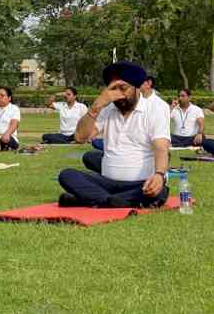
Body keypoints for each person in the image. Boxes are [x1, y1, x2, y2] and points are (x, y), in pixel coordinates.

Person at [58, 61, 170, 208]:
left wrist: (159, 175)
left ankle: (90, 200)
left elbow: (161, 147)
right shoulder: (107, 108)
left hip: (141, 184)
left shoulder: (156, 107)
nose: (118, 95)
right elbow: (80, 137)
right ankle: (114, 201)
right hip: (107, 182)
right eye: (113, 89)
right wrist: (95, 107)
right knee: (67, 175)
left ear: (136, 88)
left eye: (123, 88)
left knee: (160, 191)